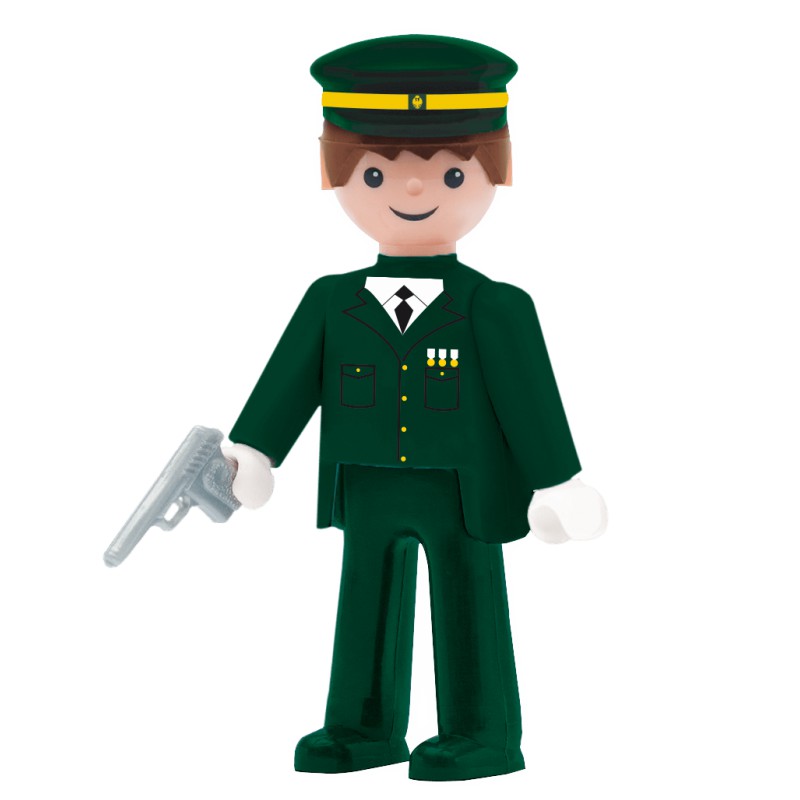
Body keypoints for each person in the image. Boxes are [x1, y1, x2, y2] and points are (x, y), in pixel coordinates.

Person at [224, 35, 607, 782]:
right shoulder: (331, 301)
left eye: (451, 171)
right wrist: (254, 449)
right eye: (375, 171)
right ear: (338, 175)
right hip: (365, 479)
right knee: (364, 596)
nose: (408, 188)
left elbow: (528, 399)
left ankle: (482, 731)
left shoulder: (495, 307)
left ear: (493, 172)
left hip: (462, 487)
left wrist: (557, 481)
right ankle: (362, 723)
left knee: (467, 598)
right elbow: (288, 384)